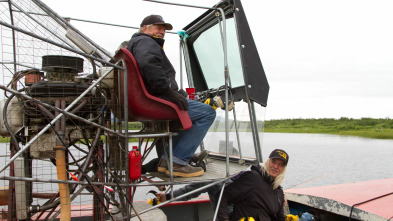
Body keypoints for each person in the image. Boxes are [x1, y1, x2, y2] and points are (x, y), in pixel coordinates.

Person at [126, 15, 216, 178]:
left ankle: (169, 158)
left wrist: (179, 94)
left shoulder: (136, 43)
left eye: (164, 29)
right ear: (145, 28)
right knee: (207, 113)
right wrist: (169, 93)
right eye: (158, 28)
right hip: (155, 99)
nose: (162, 32)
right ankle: (178, 160)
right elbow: (148, 65)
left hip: (149, 96)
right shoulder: (146, 41)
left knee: (185, 112)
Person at [216, 149, 289, 221]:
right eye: (273, 162)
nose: (275, 166)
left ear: (284, 169)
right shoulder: (253, 178)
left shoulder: (279, 192)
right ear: (268, 162)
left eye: (280, 164)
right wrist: (224, 219)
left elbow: (280, 217)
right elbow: (222, 195)